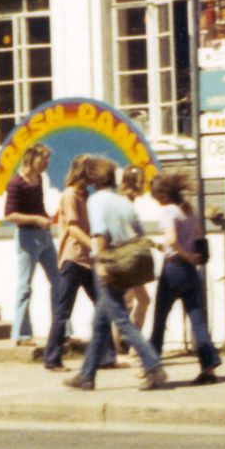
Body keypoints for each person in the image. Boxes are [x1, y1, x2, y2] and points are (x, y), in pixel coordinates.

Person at [66, 158, 166, 391]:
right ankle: (86, 376)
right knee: (100, 322)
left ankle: (153, 365)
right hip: (127, 262)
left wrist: (100, 263)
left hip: (110, 262)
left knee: (120, 319)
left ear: (95, 179)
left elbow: (100, 233)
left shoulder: (96, 201)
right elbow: (138, 231)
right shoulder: (122, 201)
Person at [147, 173, 221, 384]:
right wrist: (191, 256)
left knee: (160, 319)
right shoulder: (188, 211)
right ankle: (209, 367)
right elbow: (197, 235)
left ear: (163, 193)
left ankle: (151, 367)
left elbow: (172, 240)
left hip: (173, 269)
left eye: (156, 196)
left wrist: (184, 254)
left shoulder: (168, 211)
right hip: (189, 272)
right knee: (197, 319)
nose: (156, 200)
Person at [43, 156, 114, 373]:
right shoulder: (70, 195)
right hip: (73, 260)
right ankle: (52, 358)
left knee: (103, 306)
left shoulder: (85, 196)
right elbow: (73, 229)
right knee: (63, 311)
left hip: (88, 260)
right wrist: (95, 245)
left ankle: (107, 357)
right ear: (83, 173)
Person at [1, 143, 58, 346]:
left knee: (59, 282)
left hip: (44, 236)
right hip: (27, 238)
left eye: (48, 159)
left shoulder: (39, 179)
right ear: (32, 158)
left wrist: (47, 218)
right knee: (25, 285)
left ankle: (61, 330)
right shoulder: (16, 183)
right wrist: (35, 219)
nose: (46, 163)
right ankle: (21, 335)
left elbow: (38, 207)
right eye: (43, 159)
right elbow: (9, 215)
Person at [123, 165, 162, 340]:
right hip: (127, 257)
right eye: (141, 181)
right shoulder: (125, 203)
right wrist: (151, 243)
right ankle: (122, 344)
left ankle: (130, 343)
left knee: (137, 301)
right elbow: (130, 232)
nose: (143, 184)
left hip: (133, 256)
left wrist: (152, 244)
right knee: (130, 302)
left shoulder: (129, 202)